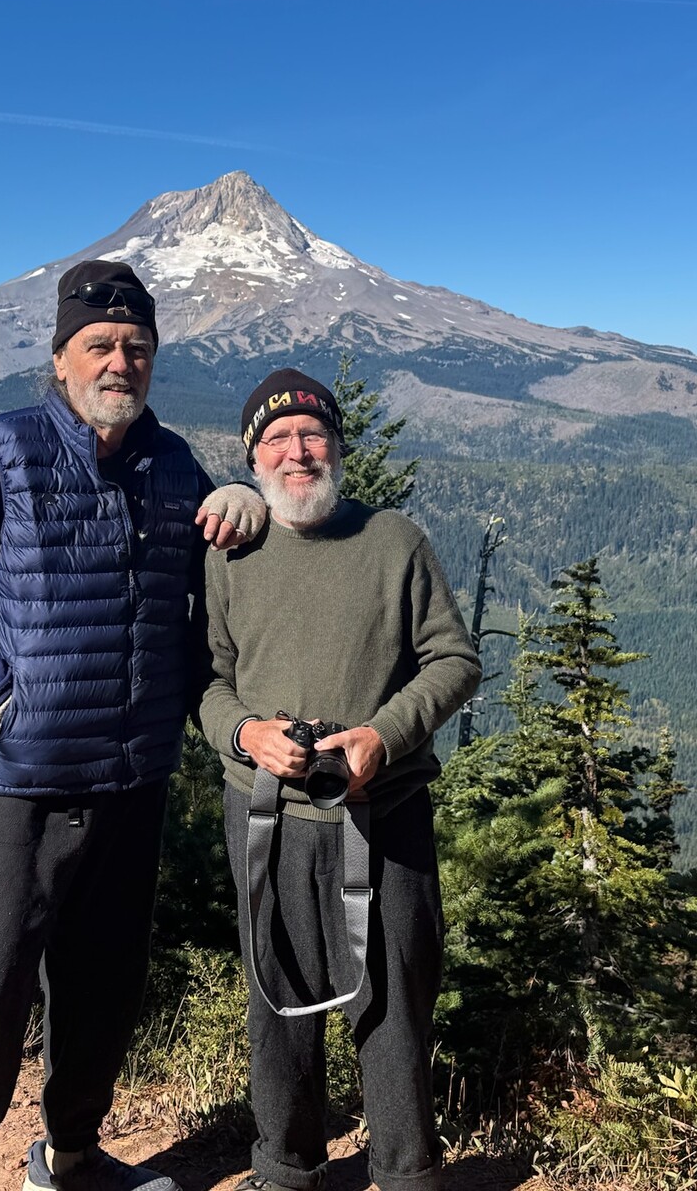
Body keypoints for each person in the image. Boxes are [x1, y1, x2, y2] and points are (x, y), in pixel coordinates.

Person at [0, 259, 266, 1191]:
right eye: (99, 345)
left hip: (129, 783)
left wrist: (249, 498)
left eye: (137, 348)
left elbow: (223, 576)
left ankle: (72, 1159)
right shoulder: (4, 451)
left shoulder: (174, 465)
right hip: (10, 783)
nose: (119, 363)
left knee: (101, 991)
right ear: (60, 360)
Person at [198, 368, 481, 1191]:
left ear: (338, 446)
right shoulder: (229, 553)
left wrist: (383, 739)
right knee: (276, 999)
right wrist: (248, 733)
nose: (297, 451)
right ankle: (285, 1169)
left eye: (312, 434)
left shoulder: (395, 542)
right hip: (267, 818)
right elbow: (205, 683)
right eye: (276, 439)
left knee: (392, 1004)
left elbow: (455, 659)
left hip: (383, 814)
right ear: (253, 458)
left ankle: (406, 1173)